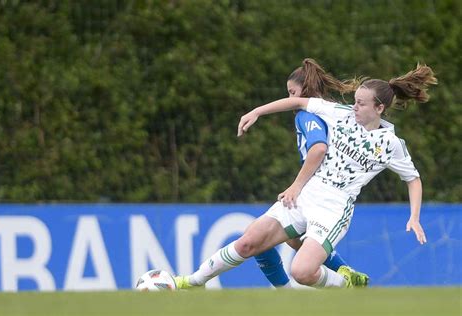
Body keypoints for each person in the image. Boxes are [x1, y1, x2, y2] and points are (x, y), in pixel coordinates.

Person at [175, 63, 434, 290]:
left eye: (360, 103)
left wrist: (414, 216)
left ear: (379, 107)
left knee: (302, 272)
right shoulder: (339, 114)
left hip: (334, 206)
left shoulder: (390, 144)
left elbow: (413, 179)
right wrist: (257, 111)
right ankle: (191, 282)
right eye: (354, 100)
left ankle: (345, 285)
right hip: (306, 193)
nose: (353, 106)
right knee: (247, 244)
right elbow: (298, 102)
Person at [253, 58, 368, 288]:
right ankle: (345, 272)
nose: (289, 98)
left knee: (260, 243)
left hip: (317, 193)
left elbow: (318, 148)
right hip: (327, 193)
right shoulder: (330, 113)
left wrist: (296, 186)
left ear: (303, 91)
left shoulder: (307, 115)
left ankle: (289, 294)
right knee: (296, 241)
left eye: (291, 92)